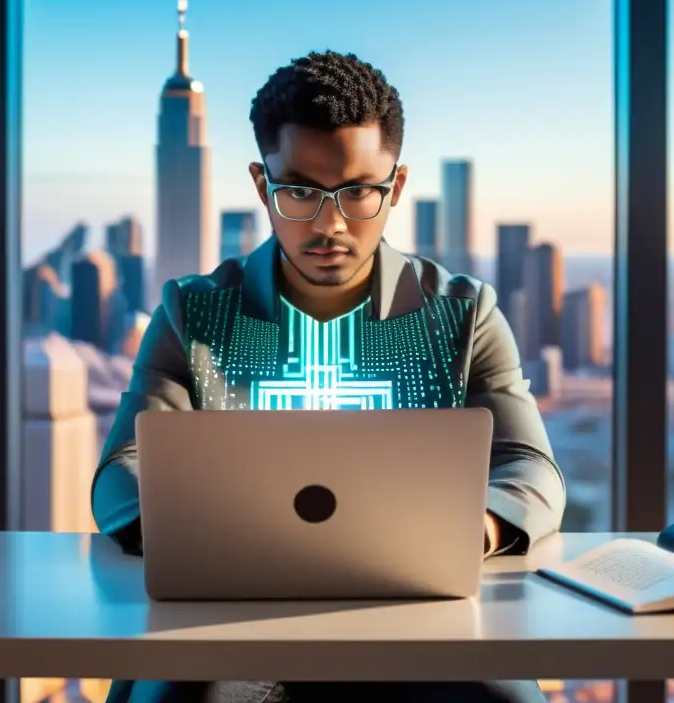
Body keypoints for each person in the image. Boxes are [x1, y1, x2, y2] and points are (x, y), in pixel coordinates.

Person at [93, 50, 567, 703]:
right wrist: (216, 540)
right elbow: (121, 470)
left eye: (358, 192)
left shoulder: (461, 314)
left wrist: (470, 532)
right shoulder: (192, 313)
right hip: (231, 623)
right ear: (263, 186)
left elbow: (531, 470)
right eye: (299, 192)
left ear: (394, 188)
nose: (329, 224)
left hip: (422, 622)